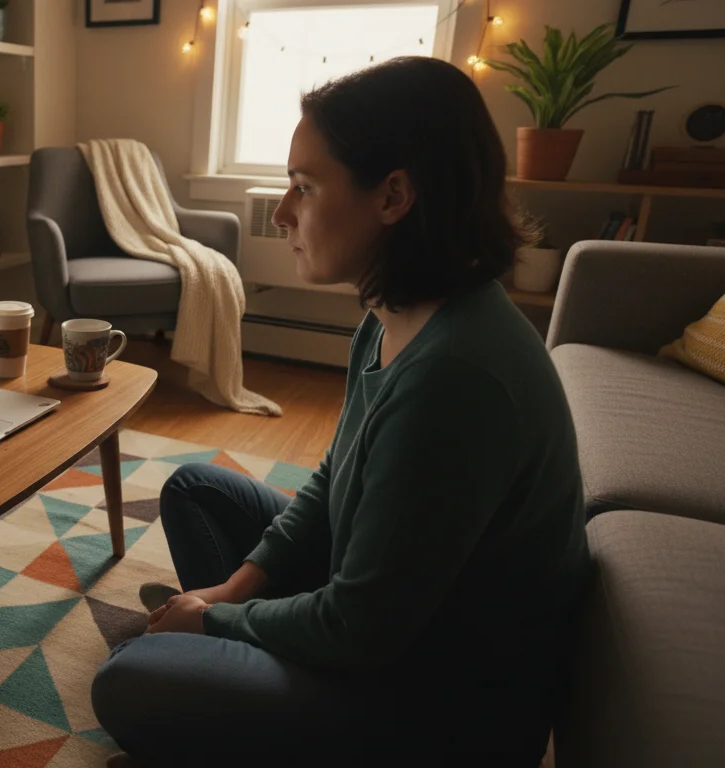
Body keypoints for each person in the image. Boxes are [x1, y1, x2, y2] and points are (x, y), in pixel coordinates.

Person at [90, 57, 590, 766]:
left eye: (305, 185)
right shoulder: (394, 314)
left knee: (126, 682)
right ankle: (225, 651)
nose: (282, 212)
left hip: (433, 701)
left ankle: (222, 666)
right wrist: (233, 591)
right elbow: (334, 477)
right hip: (389, 617)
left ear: (393, 196)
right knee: (195, 488)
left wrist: (218, 621)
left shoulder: (456, 378)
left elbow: (360, 628)